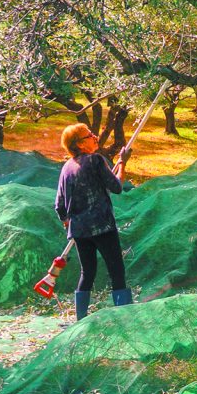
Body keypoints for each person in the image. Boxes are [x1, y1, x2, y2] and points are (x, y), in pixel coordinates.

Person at [54, 123, 132, 320]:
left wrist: (67, 221)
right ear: (79, 144)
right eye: (89, 135)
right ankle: (124, 317)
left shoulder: (67, 168)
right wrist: (122, 162)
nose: (94, 137)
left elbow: (59, 206)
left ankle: (81, 319)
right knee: (116, 270)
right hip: (102, 226)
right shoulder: (96, 160)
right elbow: (116, 187)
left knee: (87, 273)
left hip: (79, 230)